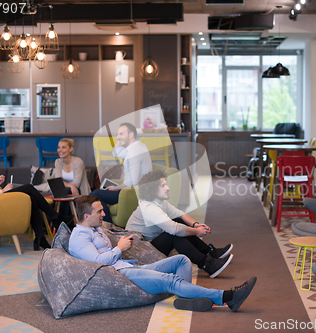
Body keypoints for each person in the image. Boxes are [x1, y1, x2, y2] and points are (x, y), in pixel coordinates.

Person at [69, 195, 257, 312]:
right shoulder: (79, 238)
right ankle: (227, 298)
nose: (103, 214)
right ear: (86, 216)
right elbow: (98, 263)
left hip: (128, 267)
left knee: (181, 260)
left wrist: (119, 248)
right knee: (170, 281)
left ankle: (185, 299)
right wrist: (119, 248)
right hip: (120, 275)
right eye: (100, 211)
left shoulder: (95, 228)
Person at [126, 169, 233, 278]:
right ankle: (207, 264)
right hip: (140, 252)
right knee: (173, 234)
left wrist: (195, 225)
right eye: (163, 186)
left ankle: (209, 252)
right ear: (152, 190)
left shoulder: (159, 202)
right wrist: (196, 232)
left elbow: (180, 214)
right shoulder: (149, 208)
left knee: (178, 222)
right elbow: (174, 229)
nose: (168, 188)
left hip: (149, 243)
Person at [0, 138, 68, 250]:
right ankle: (55, 217)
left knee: (32, 198)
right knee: (29, 187)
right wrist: (3, 191)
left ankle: (40, 238)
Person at [90, 123, 152, 222]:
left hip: (133, 192)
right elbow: (116, 152)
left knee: (94, 195)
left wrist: (116, 188)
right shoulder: (139, 147)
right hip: (134, 190)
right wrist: (120, 139)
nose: (118, 137)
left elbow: (132, 181)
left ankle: (107, 227)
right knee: (99, 199)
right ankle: (107, 226)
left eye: (121, 134)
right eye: (118, 134)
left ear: (131, 135)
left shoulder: (133, 153)